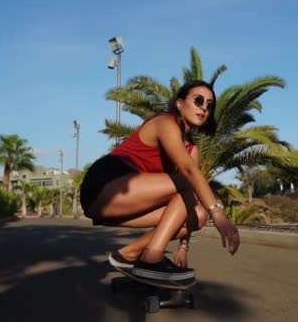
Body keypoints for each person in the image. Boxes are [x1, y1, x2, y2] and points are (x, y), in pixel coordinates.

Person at [80, 80, 240, 281]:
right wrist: (217, 213)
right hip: (107, 183)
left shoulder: (192, 150)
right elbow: (188, 173)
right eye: (198, 100)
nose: (204, 108)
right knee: (189, 185)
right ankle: (151, 258)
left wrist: (183, 247)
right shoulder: (165, 122)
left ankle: (128, 254)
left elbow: (187, 199)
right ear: (180, 104)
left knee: (198, 215)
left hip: (124, 203)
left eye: (209, 105)